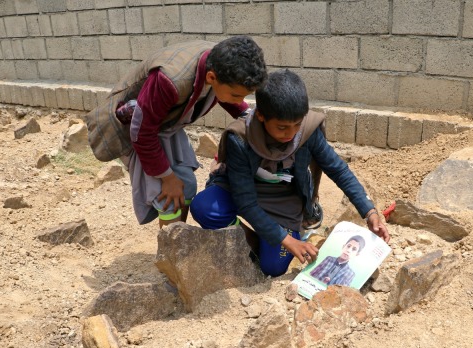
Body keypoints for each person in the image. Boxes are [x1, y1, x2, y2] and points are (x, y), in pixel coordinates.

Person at [190, 69, 390, 277]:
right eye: (282, 127)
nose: (292, 133)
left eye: (297, 124)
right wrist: (286, 240)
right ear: (261, 116)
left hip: (284, 199)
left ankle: (270, 239)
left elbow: (338, 170)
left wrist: (370, 212)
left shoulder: (307, 131)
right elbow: (246, 201)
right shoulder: (240, 138)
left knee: (273, 267)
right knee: (204, 207)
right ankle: (249, 238)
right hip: (241, 191)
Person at [106, 36, 267, 228]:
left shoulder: (219, 64)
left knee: (186, 184)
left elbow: (226, 94)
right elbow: (141, 133)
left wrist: (248, 115)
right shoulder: (169, 81)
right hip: (138, 130)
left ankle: (179, 240)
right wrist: (167, 178)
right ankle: (170, 253)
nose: (239, 99)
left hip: (166, 125)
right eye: (236, 95)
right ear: (211, 78)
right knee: (166, 193)